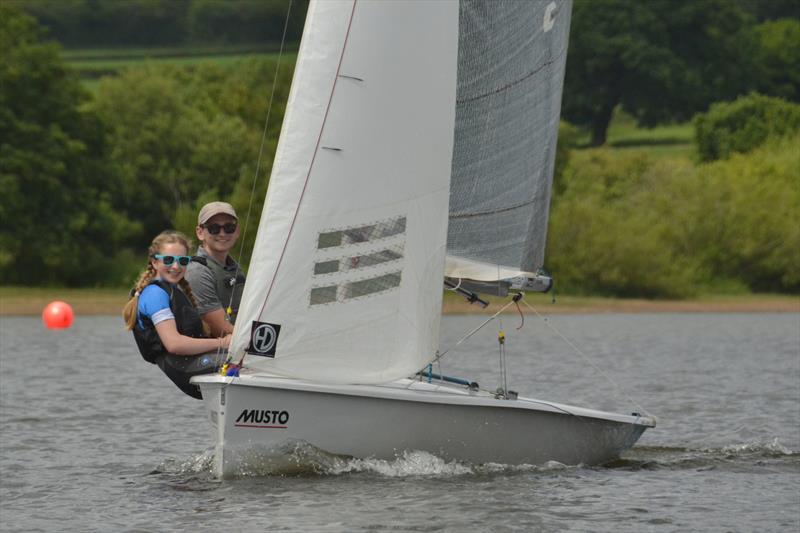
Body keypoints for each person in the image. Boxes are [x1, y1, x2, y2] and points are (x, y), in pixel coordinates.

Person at [123, 230, 231, 399]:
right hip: (185, 369)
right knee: (251, 363)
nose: (176, 266)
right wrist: (222, 343)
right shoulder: (154, 294)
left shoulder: (174, 291)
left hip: (197, 362)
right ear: (154, 262)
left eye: (182, 260)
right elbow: (174, 344)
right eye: (168, 260)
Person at [185, 201, 246, 337]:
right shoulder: (197, 272)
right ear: (200, 232)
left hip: (238, 347)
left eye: (229, 227)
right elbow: (221, 329)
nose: (222, 233)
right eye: (214, 228)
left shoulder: (235, 268)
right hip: (215, 353)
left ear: (237, 231)